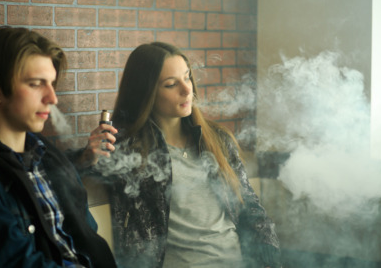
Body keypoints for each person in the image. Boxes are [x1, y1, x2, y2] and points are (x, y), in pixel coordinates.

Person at [85, 42, 282, 268]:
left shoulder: (217, 139)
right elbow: (64, 173)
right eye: (171, 84)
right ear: (146, 93)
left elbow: (250, 207)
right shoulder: (129, 150)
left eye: (187, 77)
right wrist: (86, 156)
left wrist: (269, 258)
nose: (187, 90)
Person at [0, 26, 116, 268]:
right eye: (36, 84)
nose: (52, 98)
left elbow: (88, 238)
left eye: (52, 83)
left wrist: (86, 157)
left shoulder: (47, 158)